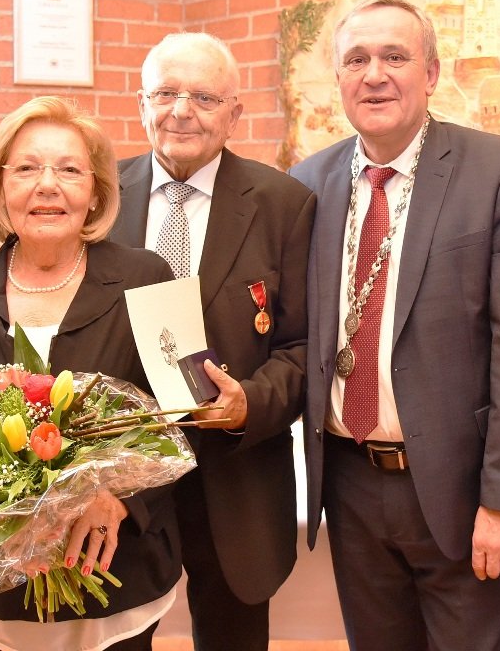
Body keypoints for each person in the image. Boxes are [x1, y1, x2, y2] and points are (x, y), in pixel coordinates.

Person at [290, 0, 500, 651]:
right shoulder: (308, 183)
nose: (374, 75)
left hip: (460, 490)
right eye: (356, 59)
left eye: (395, 57)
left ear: (432, 73)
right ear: (338, 77)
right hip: (350, 485)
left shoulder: (498, 170)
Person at [0, 96, 179, 651]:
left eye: (69, 169)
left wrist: (119, 498)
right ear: (0, 187)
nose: (48, 185)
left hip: (112, 572)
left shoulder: (151, 276)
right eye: (26, 168)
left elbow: (185, 418)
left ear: (96, 190)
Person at [108, 32, 314, 650]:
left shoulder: (285, 204)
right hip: (118, 477)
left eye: (204, 97)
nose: (182, 112)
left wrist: (250, 403)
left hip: (233, 475)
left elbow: (305, 346)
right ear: (140, 103)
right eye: (165, 93)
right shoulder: (97, 196)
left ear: (234, 113)